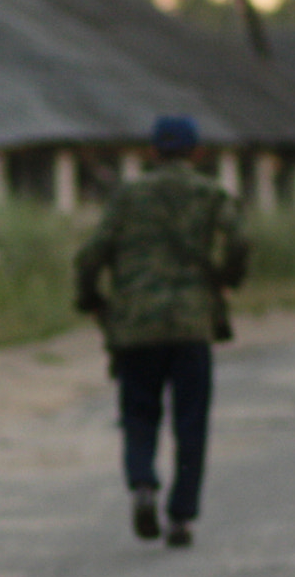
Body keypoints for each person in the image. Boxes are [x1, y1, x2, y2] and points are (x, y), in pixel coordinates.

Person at [73, 116, 250, 548]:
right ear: (198, 153)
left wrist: (91, 300)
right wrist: (228, 279)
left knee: (138, 414)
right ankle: (181, 517)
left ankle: (143, 485)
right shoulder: (211, 194)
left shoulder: (127, 196)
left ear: (151, 153)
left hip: (135, 324)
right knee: (191, 422)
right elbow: (241, 240)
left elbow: (90, 255)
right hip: (192, 323)